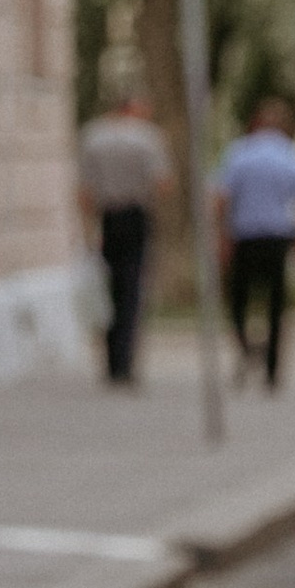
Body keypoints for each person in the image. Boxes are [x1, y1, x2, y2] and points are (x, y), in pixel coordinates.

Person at [212, 102, 295, 387]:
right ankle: (272, 369)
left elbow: (221, 200)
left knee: (238, 301)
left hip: (244, 238)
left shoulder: (239, 153)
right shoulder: (290, 155)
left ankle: (246, 348)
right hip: (278, 240)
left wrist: (220, 236)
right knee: (276, 304)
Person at [75, 91, 173, 386]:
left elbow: (84, 190)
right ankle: (125, 362)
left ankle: (110, 361)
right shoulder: (147, 137)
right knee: (131, 291)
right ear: (135, 109)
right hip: (135, 216)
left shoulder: (93, 136)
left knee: (110, 290)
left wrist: (88, 228)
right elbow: (163, 183)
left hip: (107, 218)